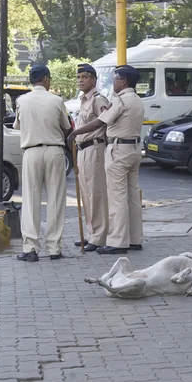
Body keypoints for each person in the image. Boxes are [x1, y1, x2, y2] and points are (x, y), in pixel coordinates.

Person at [68, 64, 144, 255]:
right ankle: (135, 239)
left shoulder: (119, 100)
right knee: (132, 197)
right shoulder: (137, 99)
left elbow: (101, 121)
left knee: (116, 197)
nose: (113, 82)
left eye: (116, 79)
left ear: (124, 81)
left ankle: (118, 242)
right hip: (134, 148)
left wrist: (75, 132)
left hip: (118, 150)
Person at [13, 64, 71, 262]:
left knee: (31, 199)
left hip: (31, 152)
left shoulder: (22, 101)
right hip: (54, 151)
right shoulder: (56, 100)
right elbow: (66, 126)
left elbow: (18, 125)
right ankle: (54, 248)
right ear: (46, 79)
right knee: (55, 199)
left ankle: (30, 248)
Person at [73, 63, 109, 252]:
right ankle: (91, 233)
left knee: (97, 193)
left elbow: (104, 121)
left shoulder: (97, 99)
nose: (81, 80)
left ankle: (99, 236)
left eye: (85, 77)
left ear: (93, 80)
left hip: (94, 148)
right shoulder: (83, 101)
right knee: (86, 194)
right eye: (79, 77)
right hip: (82, 150)